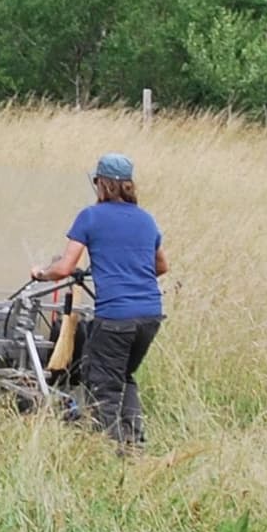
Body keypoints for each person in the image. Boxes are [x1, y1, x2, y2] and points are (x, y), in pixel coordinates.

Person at [36, 154, 167, 446]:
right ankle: (134, 443)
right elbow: (161, 267)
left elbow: (64, 268)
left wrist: (41, 273)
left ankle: (111, 449)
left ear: (101, 184)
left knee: (102, 383)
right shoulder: (146, 219)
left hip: (116, 317)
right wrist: (122, 266)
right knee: (124, 376)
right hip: (150, 315)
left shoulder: (91, 217)